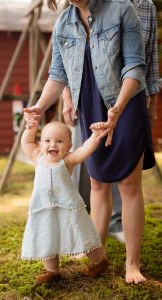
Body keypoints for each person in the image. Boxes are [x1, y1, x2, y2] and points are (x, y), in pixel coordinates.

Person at [25, 0, 155, 284]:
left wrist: (118, 108)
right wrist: (38, 106)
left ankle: (132, 265)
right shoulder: (64, 22)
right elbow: (57, 75)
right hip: (91, 107)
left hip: (126, 103)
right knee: (96, 182)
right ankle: (98, 256)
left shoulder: (122, 9)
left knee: (130, 185)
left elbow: (135, 65)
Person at [62, 0, 160, 243]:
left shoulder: (145, 7)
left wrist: (153, 100)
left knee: (128, 182)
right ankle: (90, 238)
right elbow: (69, 58)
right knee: (93, 176)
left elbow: (147, 58)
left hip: (131, 96)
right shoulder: (84, 7)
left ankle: (119, 227)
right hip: (90, 99)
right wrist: (67, 96)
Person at [21, 117, 109, 283]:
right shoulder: (37, 157)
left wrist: (95, 136)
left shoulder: (67, 160)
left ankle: (99, 262)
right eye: (47, 140)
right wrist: (31, 128)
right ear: (40, 144)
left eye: (59, 141)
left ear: (69, 146)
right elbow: (26, 142)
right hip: (44, 209)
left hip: (68, 209)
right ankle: (52, 271)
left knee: (82, 235)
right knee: (47, 236)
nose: (53, 145)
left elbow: (85, 150)